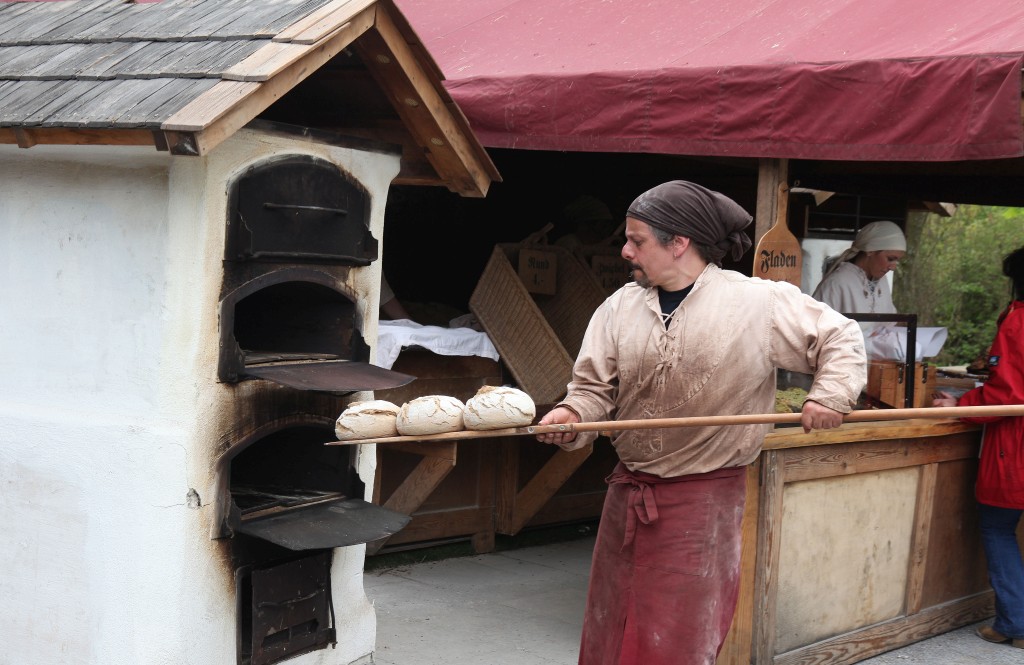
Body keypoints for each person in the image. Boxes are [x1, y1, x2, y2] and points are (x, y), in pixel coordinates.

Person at [535, 180, 867, 665]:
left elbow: (841, 337)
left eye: (637, 240)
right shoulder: (620, 306)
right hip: (628, 494)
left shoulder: (758, 302)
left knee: (677, 638)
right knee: (611, 625)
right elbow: (591, 390)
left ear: (679, 243)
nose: (625, 251)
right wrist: (571, 415)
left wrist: (830, 395)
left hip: (703, 502)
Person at [932, 245, 1024, 650]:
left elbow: (1007, 394)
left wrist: (960, 405)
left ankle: (1015, 624)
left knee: (997, 527)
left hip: (1015, 446)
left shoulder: (1019, 320)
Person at [812, 220, 907, 314]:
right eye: (890, 259)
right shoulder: (837, 283)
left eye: (896, 261)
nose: (893, 267)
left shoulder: (882, 282)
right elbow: (815, 321)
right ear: (870, 251)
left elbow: (889, 319)